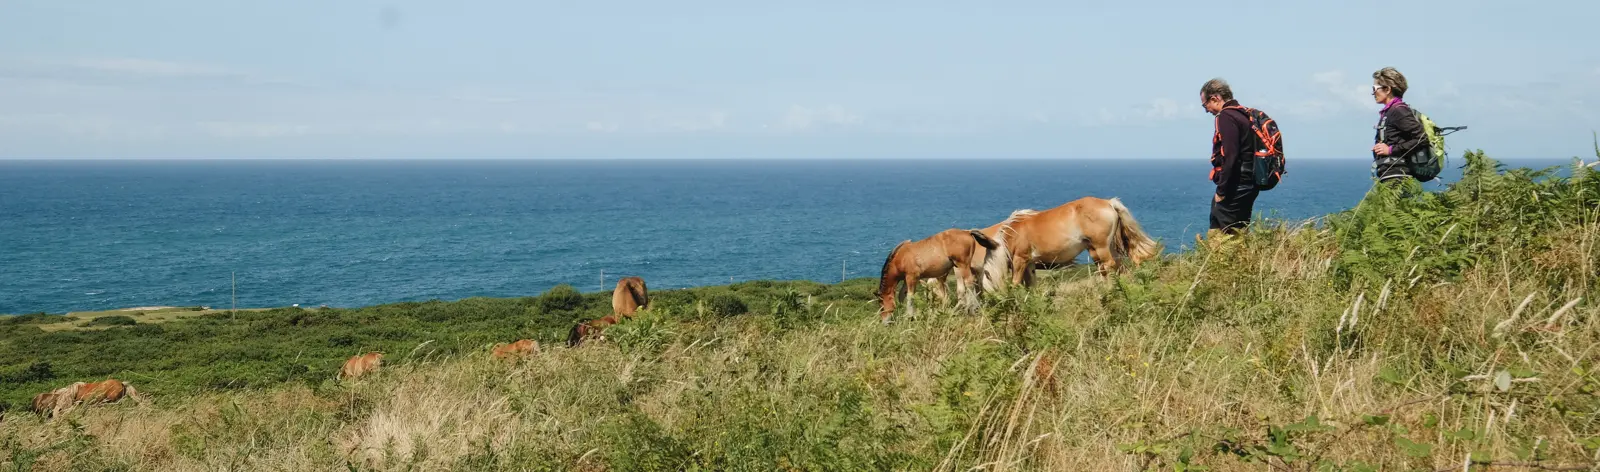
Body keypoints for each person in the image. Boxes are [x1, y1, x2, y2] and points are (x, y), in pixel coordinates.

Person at [1200, 78, 1258, 235]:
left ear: (1215, 98)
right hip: (1249, 182)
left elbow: (1230, 156)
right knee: (1238, 230)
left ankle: (1226, 260)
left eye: (1206, 105)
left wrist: (1222, 190)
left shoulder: (1226, 116)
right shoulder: (1243, 114)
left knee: (1224, 236)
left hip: (1235, 184)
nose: (1207, 110)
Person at [1371, 67, 1426, 183]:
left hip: (1398, 176)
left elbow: (1422, 139)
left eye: (1375, 88)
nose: (1373, 93)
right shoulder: (1390, 111)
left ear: (1387, 89)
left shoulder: (1399, 111)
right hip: (1390, 174)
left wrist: (1390, 150)